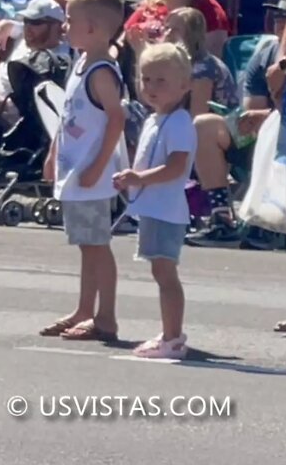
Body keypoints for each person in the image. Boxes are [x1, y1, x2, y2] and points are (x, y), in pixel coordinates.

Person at [41, 0, 128, 342]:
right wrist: (52, 153)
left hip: (92, 173)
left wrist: (98, 166)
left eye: (69, 19)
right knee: (85, 246)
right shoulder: (82, 64)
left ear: (92, 27)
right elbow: (66, 115)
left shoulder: (102, 72)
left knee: (97, 245)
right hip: (74, 172)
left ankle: (105, 316)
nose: (64, 25)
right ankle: (83, 308)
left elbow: (116, 118)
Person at [113, 42, 196, 359]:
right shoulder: (154, 120)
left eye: (161, 81)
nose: (151, 88)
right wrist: (130, 179)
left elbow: (176, 167)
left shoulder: (179, 122)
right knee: (160, 273)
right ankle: (169, 332)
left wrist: (139, 179)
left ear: (183, 86)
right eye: (146, 79)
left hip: (166, 210)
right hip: (154, 208)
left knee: (165, 274)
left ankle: (173, 338)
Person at [189, 0, 286, 247]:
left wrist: (267, 114)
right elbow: (253, 109)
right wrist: (254, 117)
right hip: (263, 137)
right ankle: (222, 218)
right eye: (276, 14)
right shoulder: (266, 53)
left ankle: (272, 224)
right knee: (205, 126)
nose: (279, 21)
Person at [164, 7, 238, 115]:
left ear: (191, 34)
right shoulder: (178, 64)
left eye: (176, 30)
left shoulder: (203, 68)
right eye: (166, 28)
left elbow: (198, 116)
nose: (168, 34)